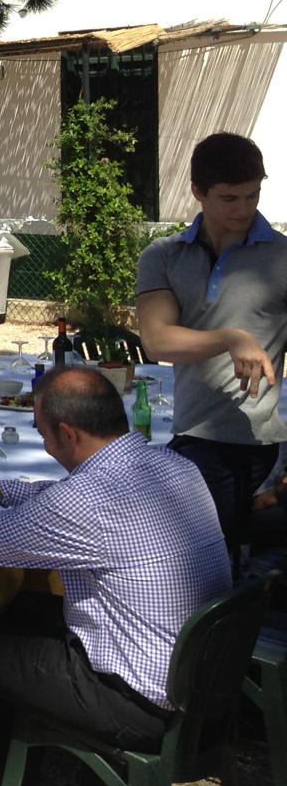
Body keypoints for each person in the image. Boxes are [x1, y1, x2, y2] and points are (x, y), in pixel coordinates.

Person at [0, 368, 230, 785]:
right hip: (201, 677)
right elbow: (65, 499)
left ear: (67, 433)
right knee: (19, 608)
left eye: (42, 432)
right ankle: (17, 760)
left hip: (136, 703)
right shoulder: (172, 464)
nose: (45, 444)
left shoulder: (87, 501)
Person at [136, 131, 287, 557]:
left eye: (253, 195)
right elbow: (157, 340)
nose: (244, 209)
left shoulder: (282, 257)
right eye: (229, 198)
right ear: (197, 192)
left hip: (255, 444)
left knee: (206, 562)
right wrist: (230, 338)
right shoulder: (163, 256)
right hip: (190, 435)